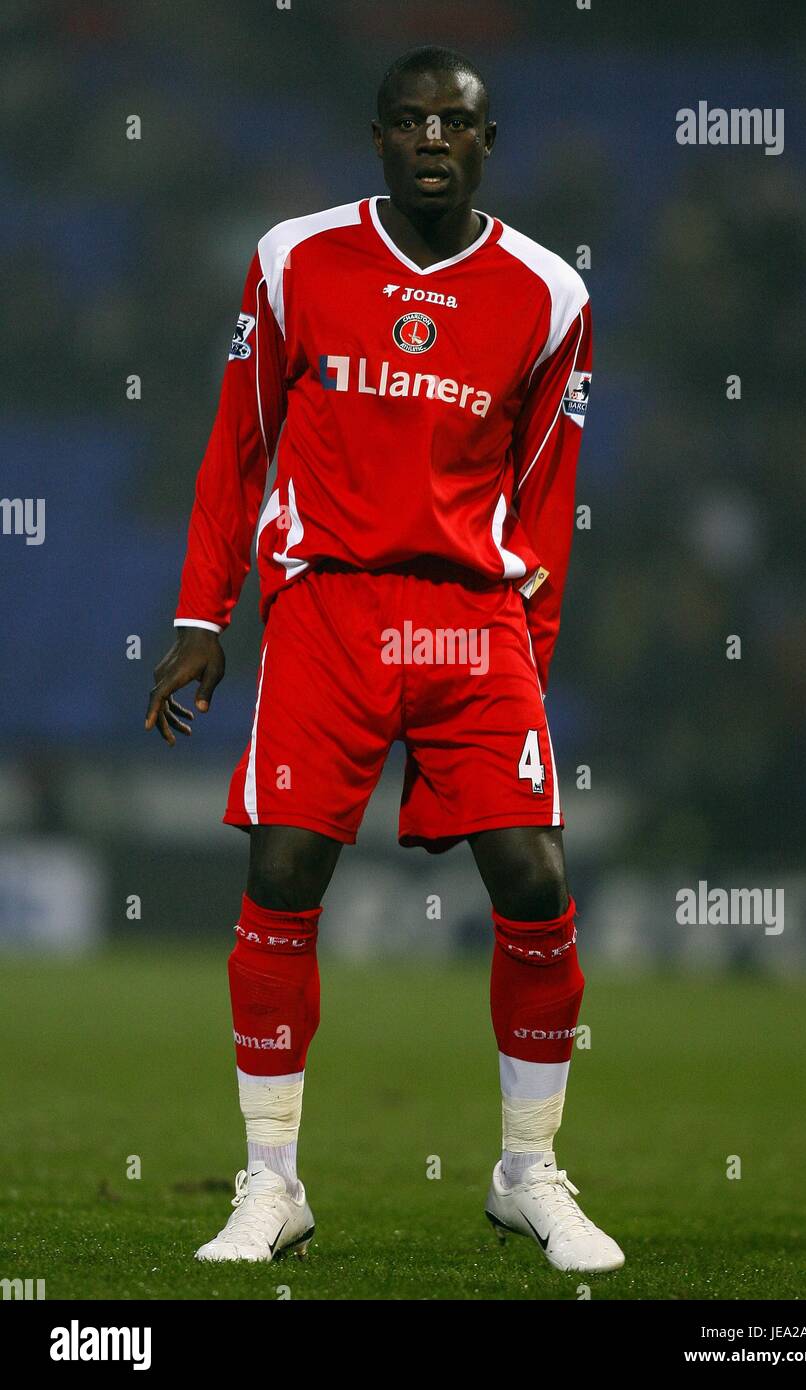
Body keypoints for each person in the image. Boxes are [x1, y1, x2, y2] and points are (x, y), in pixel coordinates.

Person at [145, 45, 623, 1276]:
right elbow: (235, 445)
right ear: (375, 140)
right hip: (329, 607)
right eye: (407, 121)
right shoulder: (295, 259)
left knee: (530, 876)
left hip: (475, 618)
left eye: (451, 124)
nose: (428, 139)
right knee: (287, 865)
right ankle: (270, 1184)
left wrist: (532, 655)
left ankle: (528, 1171)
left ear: (484, 142)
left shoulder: (547, 295)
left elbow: (544, 495)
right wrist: (205, 615)